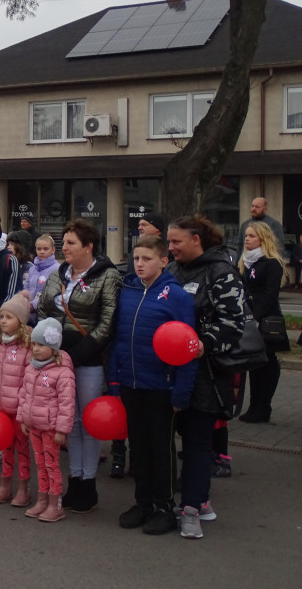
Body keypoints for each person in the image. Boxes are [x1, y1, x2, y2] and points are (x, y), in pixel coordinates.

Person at [110, 235, 197, 535]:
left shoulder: (177, 296)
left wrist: (181, 391)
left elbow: (187, 347)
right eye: (136, 258)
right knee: (139, 447)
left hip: (162, 386)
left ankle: (165, 506)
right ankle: (142, 503)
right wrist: (115, 379)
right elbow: (119, 338)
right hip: (131, 382)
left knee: (161, 449)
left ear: (163, 261)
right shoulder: (129, 290)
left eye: (146, 259)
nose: (139, 264)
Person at [167, 215, 245, 539]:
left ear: (196, 239)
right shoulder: (172, 271)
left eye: (176, 242)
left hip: (206, 374)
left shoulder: (220, 272)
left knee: (198, 442)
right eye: (169, 243)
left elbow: (234, 321)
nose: (171, 248)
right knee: (177, 436)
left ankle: (191, 512)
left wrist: (201, 344)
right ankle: (201, 500)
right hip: (170, 372)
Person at [37, 219, 121, 514]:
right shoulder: (58, 274)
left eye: (71, 243)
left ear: (89, 247)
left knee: (88, 421)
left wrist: (80, 352)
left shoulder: (107, 275)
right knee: (68, 421)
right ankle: (74, 478)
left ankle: (88, 483)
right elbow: (43, 309)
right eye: (64, 243)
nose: (65, 248)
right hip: (58, 358)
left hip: (87, 359)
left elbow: (107, 321)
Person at [17, 318, 76, 522]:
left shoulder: (63, 373)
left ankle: (55, 504)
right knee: (40, 464)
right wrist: (23, 418)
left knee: (51, 465)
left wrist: (62, 430)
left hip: (50, 428)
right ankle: (42, 500)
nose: (35, 349)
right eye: (33, 344)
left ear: (53, 346)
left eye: (41, 345)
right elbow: (23, 394)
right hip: (34, 426)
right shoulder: (31, 369)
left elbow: (67, 404)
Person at [0, 294, 33, 506]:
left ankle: (23, 487)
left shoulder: (28, 348)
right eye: (1, 316)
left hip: (18, 412)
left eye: (9, 317)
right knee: (5, 449)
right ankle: (5, 485)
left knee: (22, 448)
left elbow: (29, 382)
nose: (2, 321)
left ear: (20, 321)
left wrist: (24, 410)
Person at [238, 221, 286, 423]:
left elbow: (270, 294)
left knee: (268, 362)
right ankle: (254, 406)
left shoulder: (272, 263)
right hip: (249, 317)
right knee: (254, 363)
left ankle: (263, 406)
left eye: (251, 236)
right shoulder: (244, 262)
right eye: (246, 235)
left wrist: (256, 318)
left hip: (266, 320)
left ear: (262, 239)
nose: (246, 239)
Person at [24, 234, 59, 322]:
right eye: (39, 249)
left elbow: (52, 294)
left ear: (53, 250)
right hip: (28, 311)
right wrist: (24, 302)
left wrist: (33, 305)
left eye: (45, 249)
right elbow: (26, 288)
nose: (42, 252)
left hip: (46, 315)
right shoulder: (32, 269)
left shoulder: (57, 269)